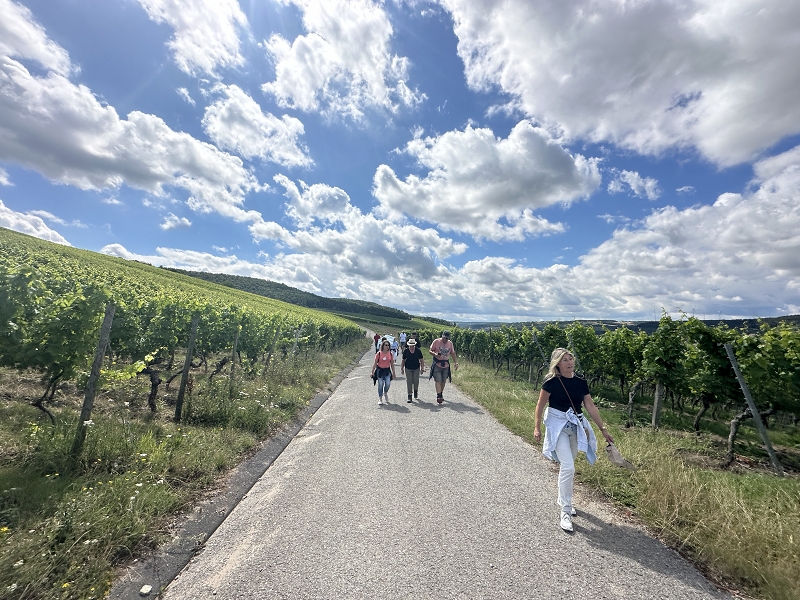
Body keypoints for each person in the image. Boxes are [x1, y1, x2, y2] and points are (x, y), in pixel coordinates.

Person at [533, 348, 613, 532]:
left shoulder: (580, 382)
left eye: (571, 359)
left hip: (576, 426)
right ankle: (566, 510)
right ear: (557, 364)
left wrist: (603, 429)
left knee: (567, 466)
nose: (570, 362)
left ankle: (563, 499)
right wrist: (537, 427)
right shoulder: (551, 382)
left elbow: (590, 406)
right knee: (568, 467)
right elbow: (540, 405)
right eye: (565, 360)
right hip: (558, 426)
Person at [429, 330, 457, 404]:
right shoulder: (436, 341)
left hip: (446, 365)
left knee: (443, 381)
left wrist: (455, 363)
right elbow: (430, 350)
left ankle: (441, 393)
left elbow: (453, 353)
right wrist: (435, 354)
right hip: (437, 364)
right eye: (444, 338)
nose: (445, 340)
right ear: (442, 336)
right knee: (438, 380)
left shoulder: (450, 343)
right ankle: (439, 396)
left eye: (447, 338)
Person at [371, 339, 396, 405]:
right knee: (380, 384)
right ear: (383, 346)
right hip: (380, 370)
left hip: (387, 370)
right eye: (386, 345)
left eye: (388, 345)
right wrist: (372, 372)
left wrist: (394, 373)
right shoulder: (379, 354)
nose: (387, 346)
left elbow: (392, 364)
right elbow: (375, 364)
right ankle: (380, 398)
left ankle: (385, 393)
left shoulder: (390, 354)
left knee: (388, 384)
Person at [401, 338, 425, 402]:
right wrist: (402, 368)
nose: (411, 347)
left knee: (416, 381)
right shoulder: (406, 351)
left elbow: (421, 360)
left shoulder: (418, 351)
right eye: (410, 346)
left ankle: (415, 390)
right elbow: (403, 360)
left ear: (414, 345)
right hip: (408, 368)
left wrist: (422, 368)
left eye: (412, 345)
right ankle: (409, 395)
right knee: (409, 381)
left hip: (416, 368)